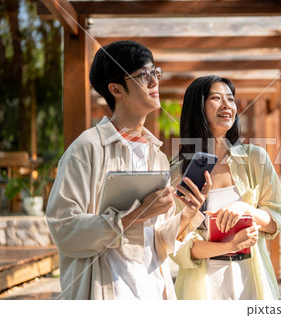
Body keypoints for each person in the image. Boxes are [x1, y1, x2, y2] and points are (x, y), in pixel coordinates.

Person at [46, 41, 210, 300]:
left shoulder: (156, 156)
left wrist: (188, 213)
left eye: (156, 72)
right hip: (109, 291)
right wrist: (135, 215)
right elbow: (63, 229)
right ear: (116, 89)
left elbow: (156, 240)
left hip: (153, 291)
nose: (154, 81)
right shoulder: (87, 148)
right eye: (144, 75)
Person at [170, 75, 281, 300]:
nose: (227, 105)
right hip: (202, 285)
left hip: (252, 278)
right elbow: (180, 245)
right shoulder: (178, 172)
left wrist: (246, 209)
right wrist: (230, 246)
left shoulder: (255, 158)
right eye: (216, 98)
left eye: (231, 99)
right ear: (198, 107)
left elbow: (276, 221)